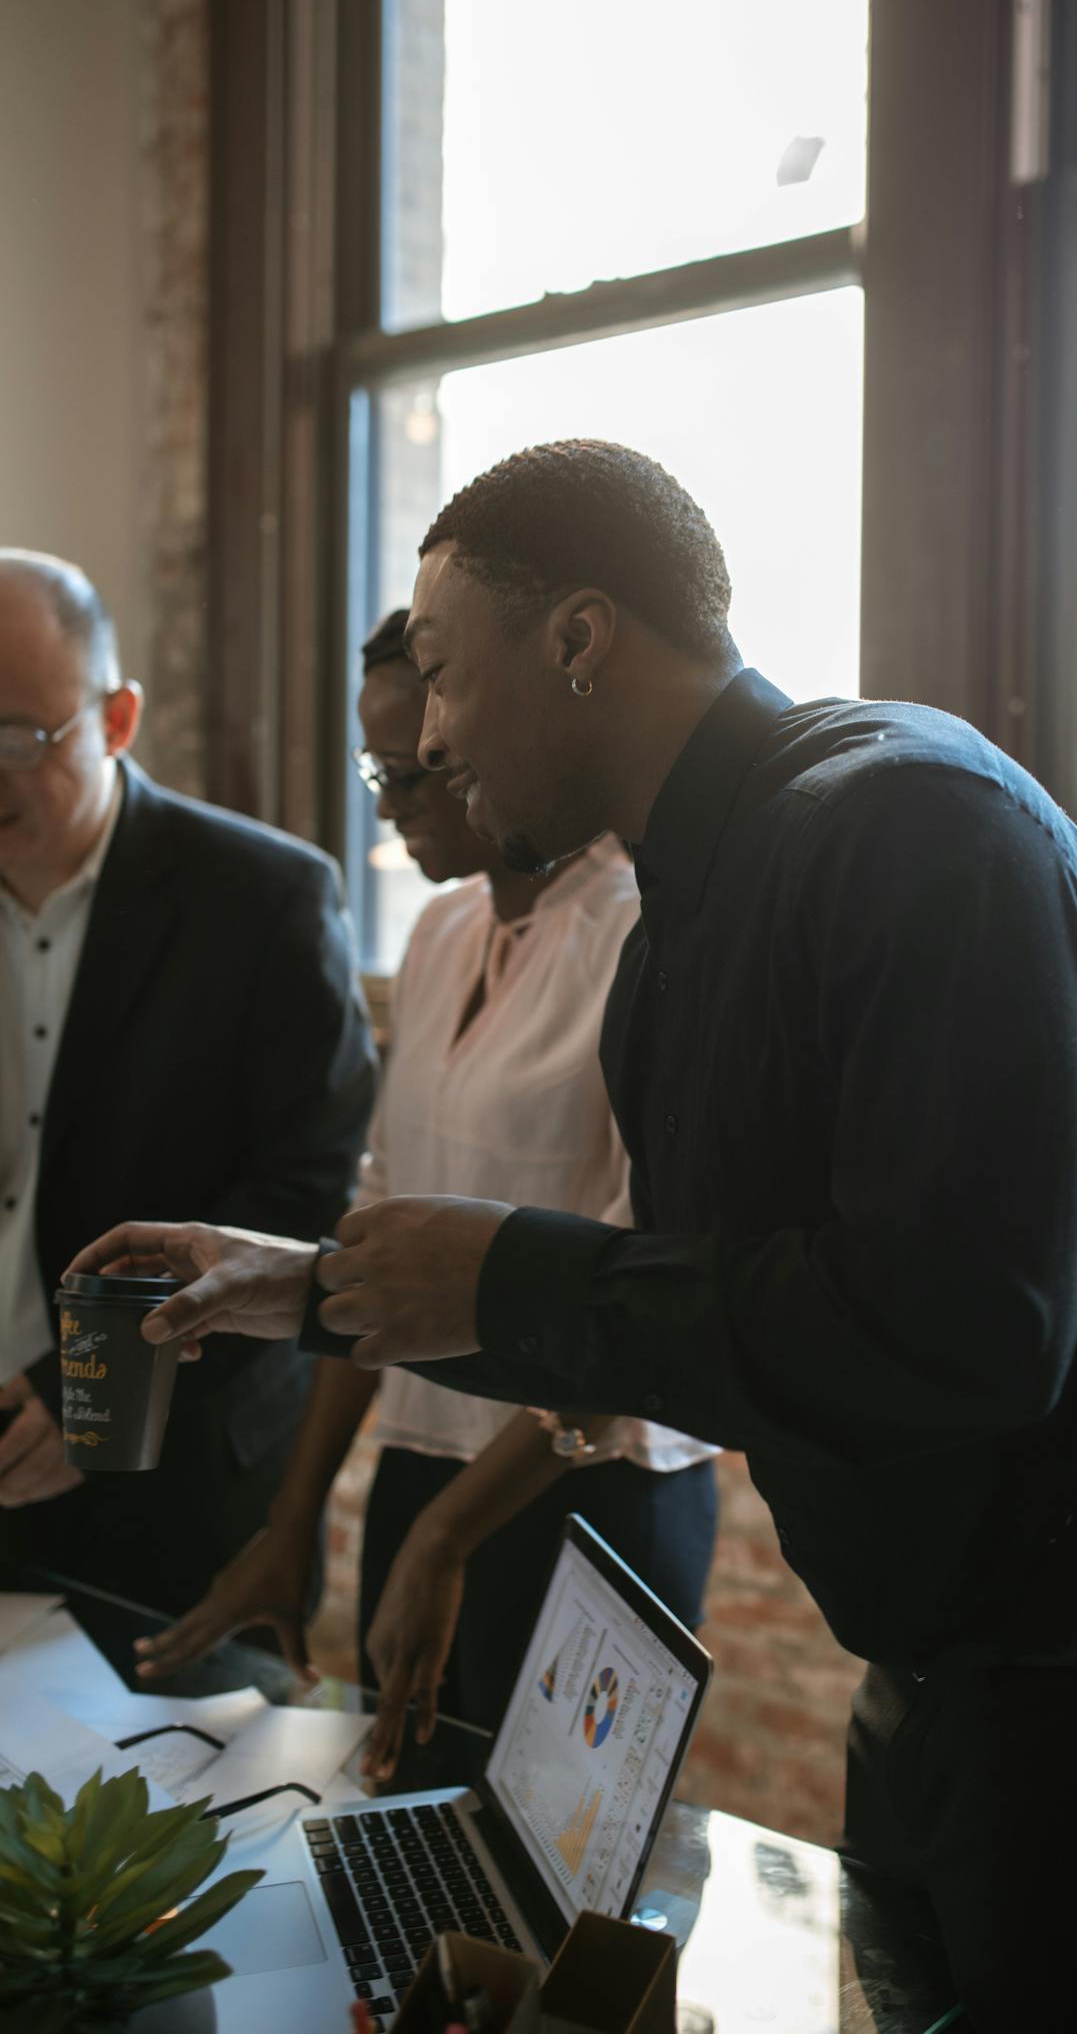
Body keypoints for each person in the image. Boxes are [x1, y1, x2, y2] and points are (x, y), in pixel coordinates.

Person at [71, 443, 1077, 2032]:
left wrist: (512, 1272)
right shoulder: (677, 944)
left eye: (448, 677)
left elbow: (966, 1326)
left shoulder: (917, 827)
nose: (434, 736)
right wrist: (296, 1290)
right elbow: (680, 1319)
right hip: (933, 1683)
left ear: (581, 639)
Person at [129, 608, 717, 1775]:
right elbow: (376, 1236)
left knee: (555, 1887)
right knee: (406, 1839)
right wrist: (291, 1521)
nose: (391, 801)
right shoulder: (441, 931)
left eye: (419, 769)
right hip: (423, 1463)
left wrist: (448, 1536)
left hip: (588, 1485)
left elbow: (635, 1271)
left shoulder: (641, 935)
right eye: (376, 768)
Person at [0, 549, 374, 1612]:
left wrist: (95, 1386)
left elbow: (302, 1191)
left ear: (116, 719)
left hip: (177, 1461)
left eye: (18, 736)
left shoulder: (265, 900)